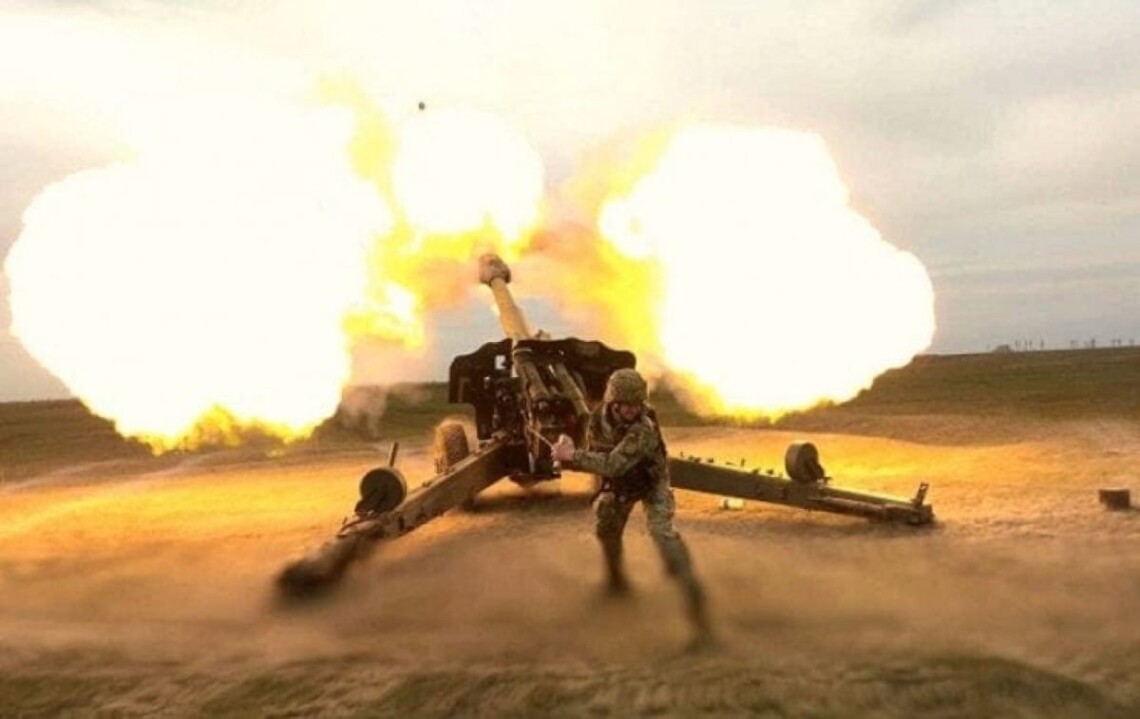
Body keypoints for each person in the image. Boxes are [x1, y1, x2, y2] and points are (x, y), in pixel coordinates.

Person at [552, 368, 712, 646]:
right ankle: (616, 582)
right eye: (626, 404)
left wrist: (572, 457)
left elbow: (613, 464)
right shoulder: (598, 420)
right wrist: (566, 448)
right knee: (606, 524)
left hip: (651, 482)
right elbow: (597, 455)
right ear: (613, 403)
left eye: (637, 404)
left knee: (663, 535)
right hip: (622, 483)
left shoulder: (643, 429)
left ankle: (698, 615)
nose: (632, 409)